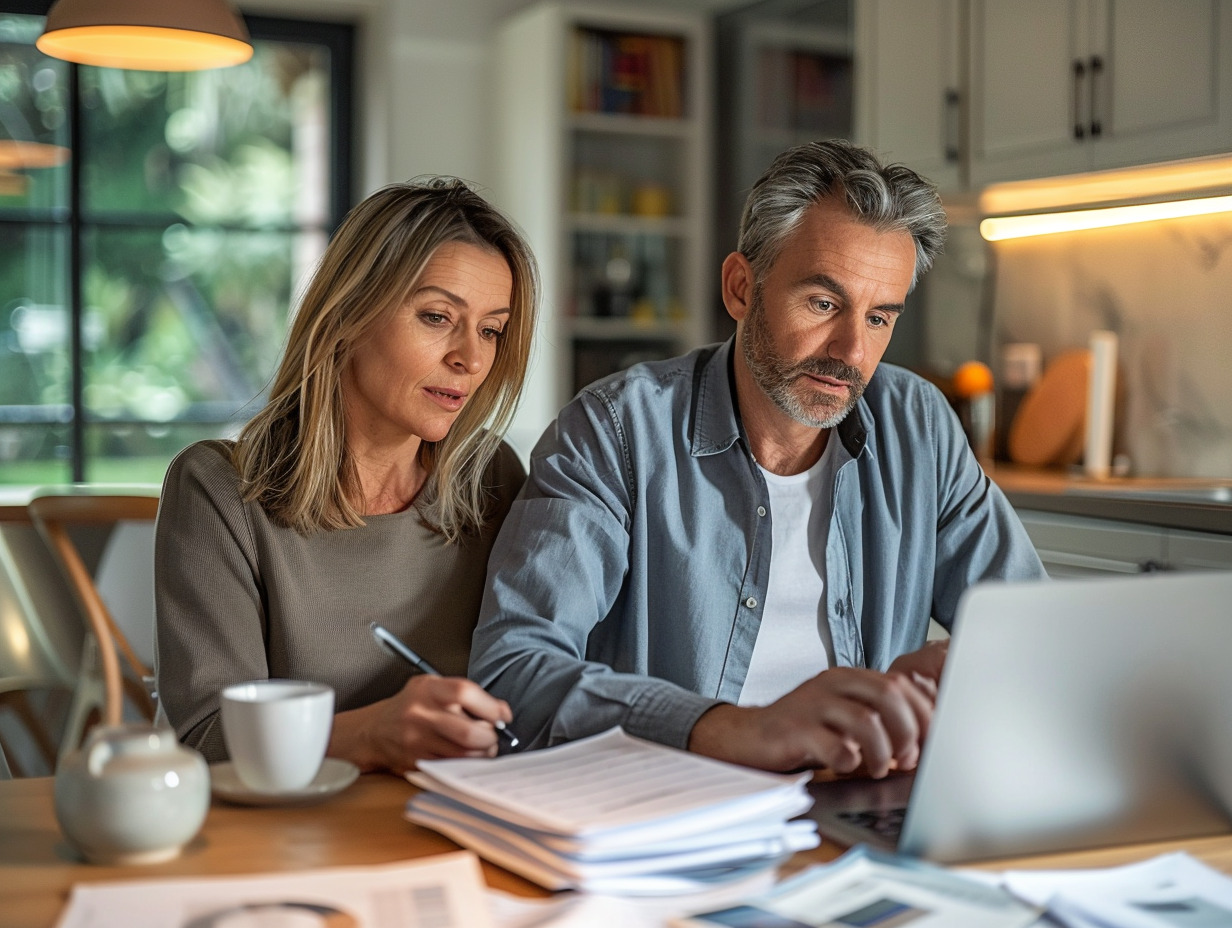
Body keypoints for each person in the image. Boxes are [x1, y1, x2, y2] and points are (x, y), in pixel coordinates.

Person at [469, 140, 1046, 777]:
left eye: (880, 317)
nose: (852, 351)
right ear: (742, 288)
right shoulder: (616, 430)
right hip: (675, 806)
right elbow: (515, 668)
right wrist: (733, 730)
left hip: (861, 805)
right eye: (824, 304)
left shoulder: (919, 426)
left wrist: (957, 673)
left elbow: (1034, 636)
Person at [156, 178, 538, 774]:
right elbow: (202, 741)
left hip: (455, 826)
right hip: (281, 840)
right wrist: (371, 735)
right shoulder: (220, 490)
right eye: (438, 317)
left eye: (491, 329)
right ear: (348, 315)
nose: (471, 357)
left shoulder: (492, 477)